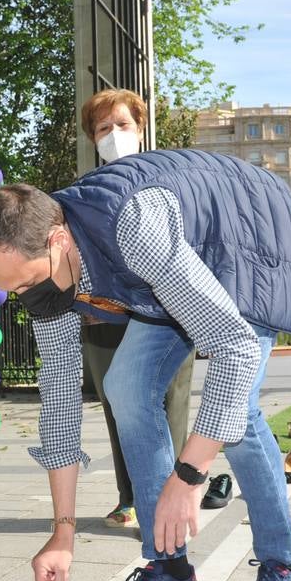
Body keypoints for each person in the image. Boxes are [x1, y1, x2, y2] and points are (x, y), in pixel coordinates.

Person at [0, 148, 291, 581]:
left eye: (30, 282)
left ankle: (282, 566)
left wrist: (188, 477)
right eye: (12, 291)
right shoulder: (46, 270)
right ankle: (170, 571)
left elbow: (235, 349)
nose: (27, 298)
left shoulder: (135, 229)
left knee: (238, 414)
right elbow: (61, 401)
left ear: (58, 240)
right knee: (124, 385)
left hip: (252, 237)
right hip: (175, 265)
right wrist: (62, 535)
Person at [76, 89, 193, 532]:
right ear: (94, 139)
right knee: (119, 409)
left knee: (171, 406)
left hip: (171, 315)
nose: (114, 135)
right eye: (104, 129)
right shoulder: (84, 192)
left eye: (122, 125)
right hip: (106, 318)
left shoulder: (173, 179)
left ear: (140, 130)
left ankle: (172, 498)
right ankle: (130, 497)